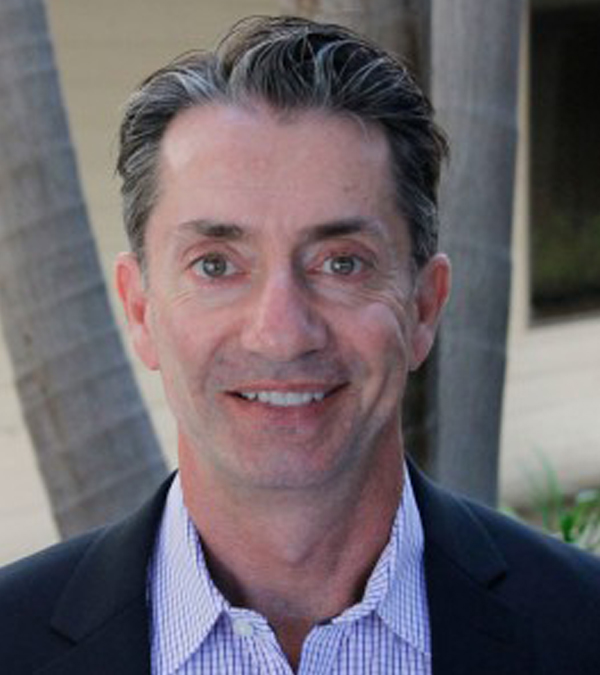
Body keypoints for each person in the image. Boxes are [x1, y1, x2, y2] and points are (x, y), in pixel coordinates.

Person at [2, 15, 600, 675]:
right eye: (216, 264)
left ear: (424, 306)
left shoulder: (583, 626)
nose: (281, 332)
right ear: (141, 309)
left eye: (342, 262)